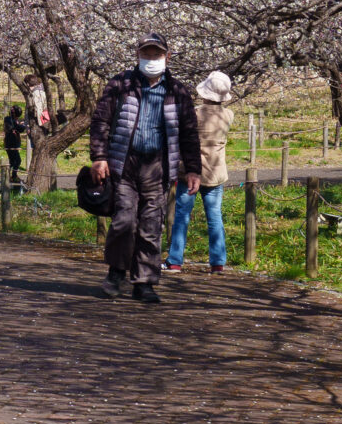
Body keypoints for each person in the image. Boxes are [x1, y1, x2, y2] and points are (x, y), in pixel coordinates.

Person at [87, 34, 203, 303]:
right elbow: (100, 121)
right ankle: (116, 271)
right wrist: (99, 156)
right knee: (124, 221)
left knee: (151, 225)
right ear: (138, 55)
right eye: (147, 54)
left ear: (167, 57)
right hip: (124, 164)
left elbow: (189, 133)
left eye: (157, 54)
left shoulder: (178, 91)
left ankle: (145, 282)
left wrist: (193, 169)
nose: (151, 59)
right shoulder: (121, 84)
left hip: (158, 167)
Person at [165, 71, 237, 274]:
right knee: (214, 217)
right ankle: (217, 262)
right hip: (216, 173)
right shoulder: (228, 115)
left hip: (190, 171)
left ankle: (175, 260)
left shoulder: (194, 113)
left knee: (182, 216)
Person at [2, 106, 28, 178]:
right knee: (17, 161)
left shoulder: (14, 120)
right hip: (10, 143)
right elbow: (19, 128)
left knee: (13, 161)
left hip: (13, 143)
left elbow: (19, 129)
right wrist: (22, 125)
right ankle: (11, 175)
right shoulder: (8, 119)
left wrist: (21, 125)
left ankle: (10, 176)